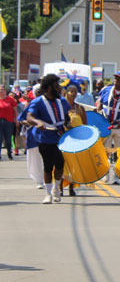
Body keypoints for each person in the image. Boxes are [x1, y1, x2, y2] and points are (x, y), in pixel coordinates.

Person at [27, 74, 71, 204]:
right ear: (48, 87)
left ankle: (56, 188)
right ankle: (47, 194)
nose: (59, 88)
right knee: (48, 165)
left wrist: (68, 123)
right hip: (45, 137)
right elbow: (29, 117)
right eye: (56, 86)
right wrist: (37, 122)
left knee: (60, 164)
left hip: (61, 138)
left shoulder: (62, 101)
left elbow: (66, 116)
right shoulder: (38, 102)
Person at [60, 85, 88, 197]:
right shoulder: (62, 107)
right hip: (64, 140)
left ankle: (72, 187)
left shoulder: (80, 108)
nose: (73, 93)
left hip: (77, 141)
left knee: (74, 165)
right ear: (66, 93)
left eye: (75, 92)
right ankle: (60, 187)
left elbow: (86, 125)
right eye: (71, 91)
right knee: (62, 164)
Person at [18, 84, 44, 189]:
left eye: (41, 91)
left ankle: (48, 179)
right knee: (35, 157)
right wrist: (33, 122)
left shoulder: (51, 103)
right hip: (34, 135)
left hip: (47, 135)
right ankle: (39, 179)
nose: (39, 93)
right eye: (37, 91)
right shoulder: (32, 104)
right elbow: (22, 119)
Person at [0, 85, 17, 160]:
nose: (1, 91)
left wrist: (16, 120)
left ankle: (9, 153)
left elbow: (15, 111)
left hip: (9, 121)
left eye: (2, 89)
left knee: (8, 139)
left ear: (5, 91)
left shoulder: (10, 99)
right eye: (0, 89)